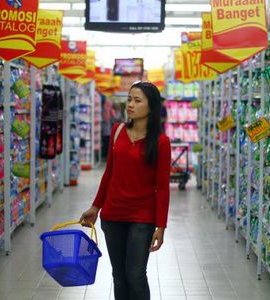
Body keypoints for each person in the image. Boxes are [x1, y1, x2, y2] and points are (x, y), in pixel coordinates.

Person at [80, 81, 171, 300]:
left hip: (142, 216)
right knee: (119, 276)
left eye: (137, 100)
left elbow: (162, 188)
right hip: (113, 215)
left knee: (136, 274)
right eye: (129, 99)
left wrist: (161, 226)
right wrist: (96, 206)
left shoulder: (160, 142)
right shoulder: (117, 131)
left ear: (151, 106)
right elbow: (109, 172)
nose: (130, 104)